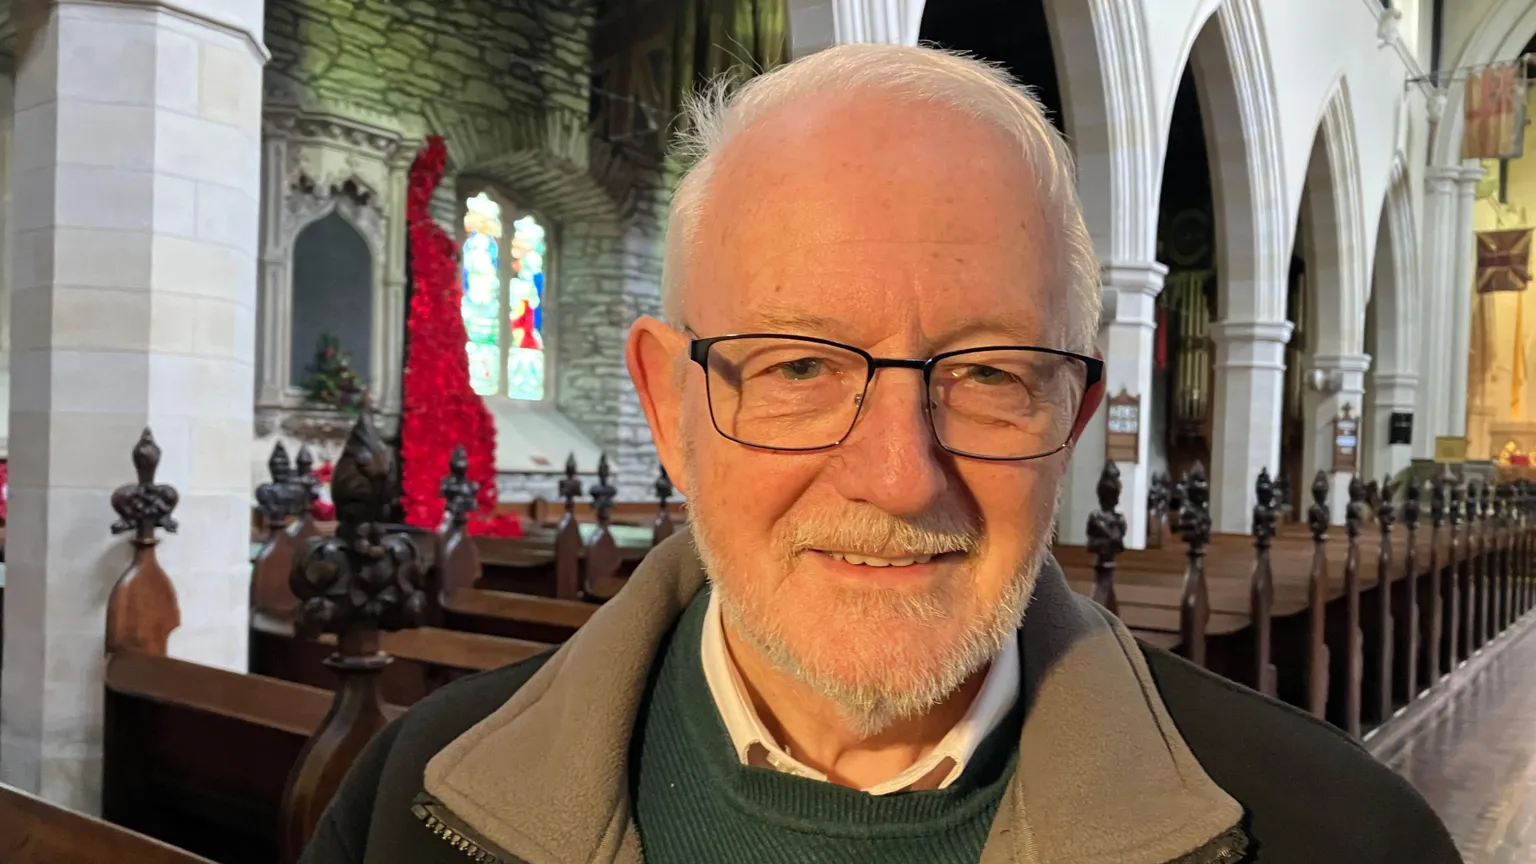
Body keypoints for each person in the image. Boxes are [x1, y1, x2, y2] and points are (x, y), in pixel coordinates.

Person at [301, 43, 1460, 864]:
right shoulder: (415, 807)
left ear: (1074, 418)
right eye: (801, 366)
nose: (901, 477)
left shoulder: (1345, 839)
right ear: (669, 405)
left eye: (993, 373)